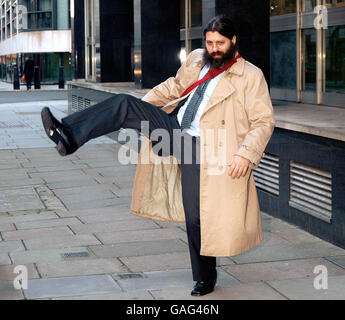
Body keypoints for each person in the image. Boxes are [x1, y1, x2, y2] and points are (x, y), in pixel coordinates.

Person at [41, 15, 275, 296]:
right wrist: (145, 114)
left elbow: (263, 121)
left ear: (233, 41)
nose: (214, 48)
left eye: (220, 43)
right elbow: (174, 88)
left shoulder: (250, 76)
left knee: (196, 216)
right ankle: (68, 134)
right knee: (127, 104)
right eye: (210, 42)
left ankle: (205, 277)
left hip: (211, 149)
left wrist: (246, 154)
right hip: (178, 132)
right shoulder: (197, 60)